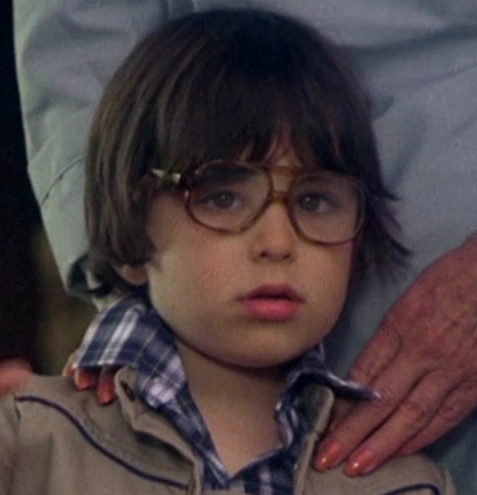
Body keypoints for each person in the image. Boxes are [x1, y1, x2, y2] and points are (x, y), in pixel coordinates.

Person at [11, 0, 477, 493]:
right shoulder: (32, 445)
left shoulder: (415, 487)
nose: (277, 243)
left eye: (314, 202)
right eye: (223, 198)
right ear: (131, 232)